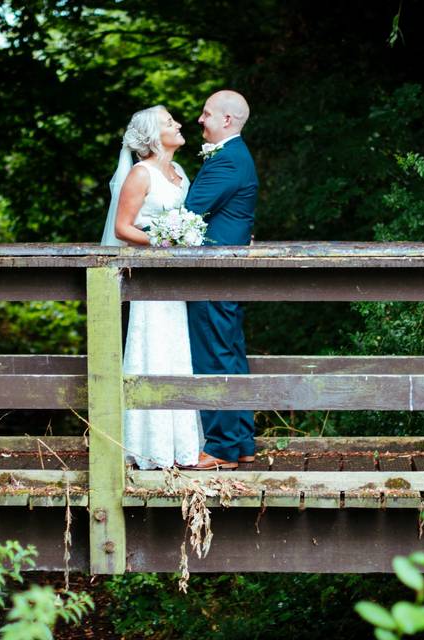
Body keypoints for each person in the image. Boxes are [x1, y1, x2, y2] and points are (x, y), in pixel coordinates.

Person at [100, 105, 203, 469]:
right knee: (152, 347)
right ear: (152, 136)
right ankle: (149, 446)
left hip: (176, 278)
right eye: (169, 122)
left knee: (177, 349)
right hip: (150, 276)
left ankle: (181, 446)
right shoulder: (140, 174)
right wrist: (163, 239)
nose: (178, 124)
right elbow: (122, 228)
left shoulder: (179, 172)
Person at [183, 90, 258, 471]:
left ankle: (222, 447)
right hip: (225, 272)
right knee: (229, 352)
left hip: (212, 272)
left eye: (206, 113)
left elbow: (187, 215)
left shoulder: (227, 161)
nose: (200, 119)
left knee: (213, 355)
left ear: (226, 121)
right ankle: (242, 441)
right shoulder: (236, 157)